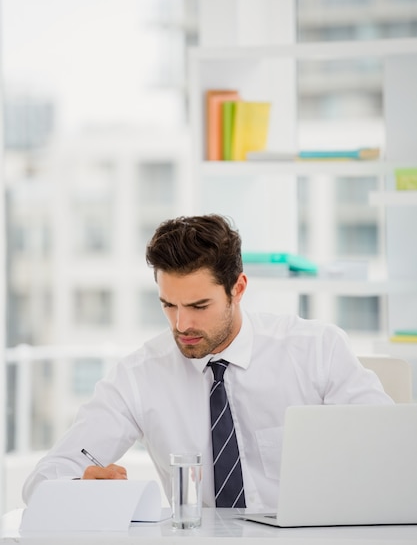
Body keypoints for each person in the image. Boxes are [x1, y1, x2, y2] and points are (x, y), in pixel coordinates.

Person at [23, 214, 393, 511]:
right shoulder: (139, 376)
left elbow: (390, 450)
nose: (182, 325)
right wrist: (78, 488)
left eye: (199, 306)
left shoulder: (316, 350)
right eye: (169, 305)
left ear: (239, 288)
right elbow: (44, 480)